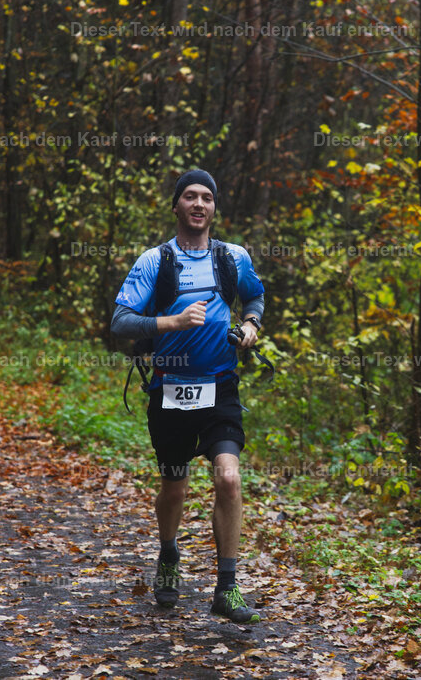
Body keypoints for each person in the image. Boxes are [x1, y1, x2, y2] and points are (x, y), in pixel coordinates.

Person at [111, 169, 265, 624]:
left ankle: (227, 587)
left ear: (215, 208)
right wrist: (170, 323)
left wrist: (252, 326)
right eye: (190, 197)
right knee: (174, 485)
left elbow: (256, 298)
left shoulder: (232, 257)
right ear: (176, 206)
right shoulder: (153, 261)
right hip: (170, 390)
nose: (199, 205)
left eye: (207, 198)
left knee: (230, 479)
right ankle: (168, 555)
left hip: (220, 386)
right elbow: (120, 322)